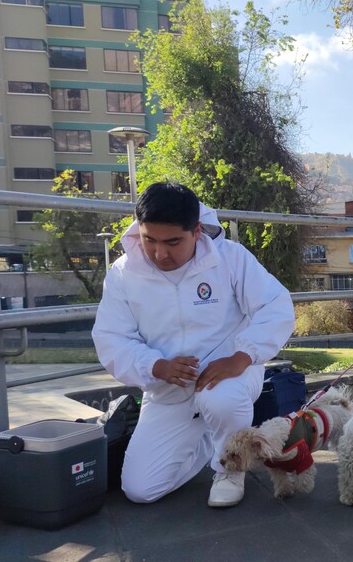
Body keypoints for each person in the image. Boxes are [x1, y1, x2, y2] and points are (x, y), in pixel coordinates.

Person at [92, 182, 295, 507]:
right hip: (167, 390)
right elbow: (111, 338)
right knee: (140, 490)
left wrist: (242, 357)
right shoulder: (122, 274)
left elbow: (276, 306)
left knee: (220, 400)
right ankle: (213, 440)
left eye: (173, 242)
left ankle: (230, 467)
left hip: (229, 377)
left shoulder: (230, 258)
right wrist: (156, 366)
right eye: (149, 240)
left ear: (197, 230)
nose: (160, 253)